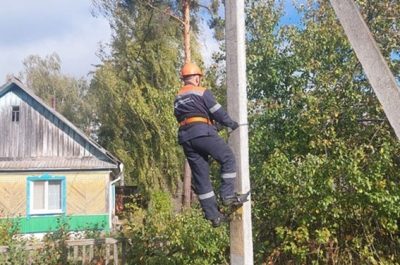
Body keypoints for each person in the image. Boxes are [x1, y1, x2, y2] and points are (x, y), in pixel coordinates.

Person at [174, 62, 248, 227]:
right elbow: (217, 111)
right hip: (202, 133)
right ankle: (228, 196)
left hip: (186, 139)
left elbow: (188, 116)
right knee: (228, 158)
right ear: (197, 78)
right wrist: (230, 123)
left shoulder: (178, 97)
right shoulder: (202, 92)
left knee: (201, 178)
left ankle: (213, 216)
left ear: (184, 79)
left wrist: (212, 125)